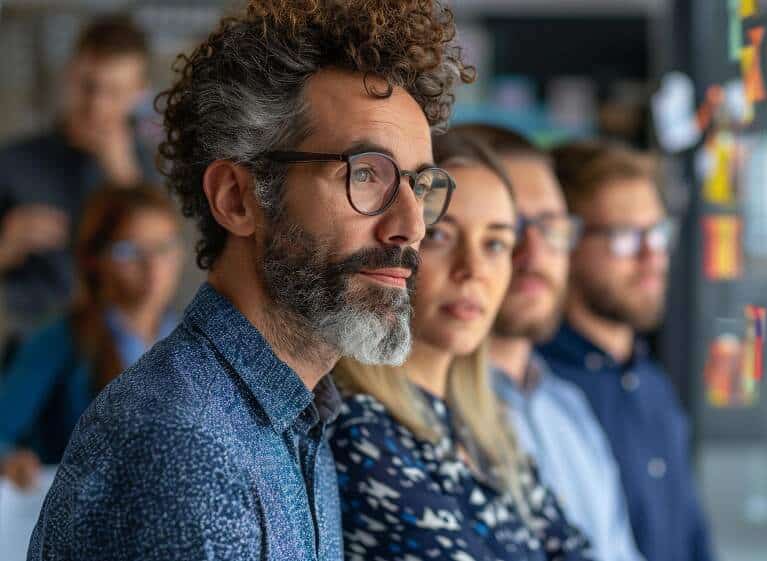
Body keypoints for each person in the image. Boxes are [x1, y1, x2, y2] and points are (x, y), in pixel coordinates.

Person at [28, 1, 473, 559]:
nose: (410, 226)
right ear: (238, 199)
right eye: (365, 174)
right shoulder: (187, 448)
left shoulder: (290, 416)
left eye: (419, 185)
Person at [332, 130, 592, 560]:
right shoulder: (360, 427)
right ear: (400, 243)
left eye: (495, 244)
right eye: (441, 237)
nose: (472, 270)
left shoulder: (484, 425)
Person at [456, 123, 646, 561]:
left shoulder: (569, 408)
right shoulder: (431, 416)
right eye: (506, 229)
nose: (533, 252)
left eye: (552, 226)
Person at [539, 139, 714, 561]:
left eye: (657, 232)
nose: (652, 255)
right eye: (624, 237)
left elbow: (692, 536)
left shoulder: (652, 382)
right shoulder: (538, 390)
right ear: (566, 241)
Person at [0, 185, 182, 491]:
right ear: (94, 260)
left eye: (164, 248)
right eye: (129, 251)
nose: (153, 267)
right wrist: (12, 460)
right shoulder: (62, 339)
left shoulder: (189, 337)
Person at [0, 15, 158, 342]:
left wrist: (123, 179)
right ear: (70, 74)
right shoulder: (12, 161)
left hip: (120, 350)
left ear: (139, 94)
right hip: (27, 345)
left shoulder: (153, 174)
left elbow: (166, 276)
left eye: (114, 92)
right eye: (89, 86)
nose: (96, 105)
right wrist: (7, 244)